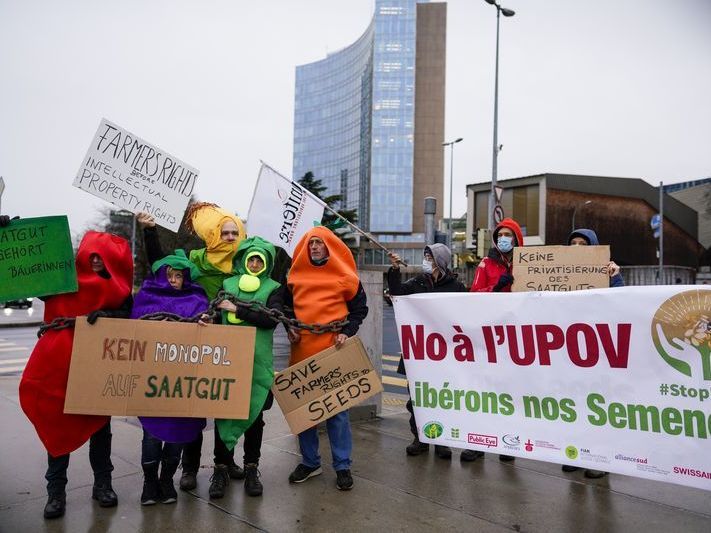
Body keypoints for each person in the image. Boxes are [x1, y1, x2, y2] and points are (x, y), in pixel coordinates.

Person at [19, 231, 133, 519]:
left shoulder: (118, 291)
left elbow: (130, 317)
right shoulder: (61, 280)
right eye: (91, 253)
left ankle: (103, 484)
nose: (95, 260)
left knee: (100, 429)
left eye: (101, 255)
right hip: (58, 366)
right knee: (58, 425)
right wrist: (8, 236)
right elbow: (23, 275)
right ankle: (55, 492)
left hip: (96, 367)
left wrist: (109, 317)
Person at [137, 205, 248, 495]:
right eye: (224, 231)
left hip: (227, 345)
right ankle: (189, 467)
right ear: (214, 234)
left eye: (234, 232)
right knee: (193, 405)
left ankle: (224, 464)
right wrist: (149, 231)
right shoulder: (196, 262)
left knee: (223, 409)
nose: (229, 236)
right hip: (195, 345)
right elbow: (162, 266)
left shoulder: (245, 263)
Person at [284, 226, 368, 491]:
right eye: (311, 244)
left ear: (329, 246)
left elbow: (359, 310)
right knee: (305, 413)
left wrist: (346, 331)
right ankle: (310, 462)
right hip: (303, 350)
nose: (314, 248)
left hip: (333, 350)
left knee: (338, 413)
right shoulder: (295, 276)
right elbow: (285, 307)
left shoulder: (346, 277)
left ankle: (342, 465)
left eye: (319, 243)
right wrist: (290, 327)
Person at [387, 244, 483, 462]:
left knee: (442, 399)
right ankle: (420, 438)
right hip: (419, 353)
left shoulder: (456, 287)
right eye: (425, 256)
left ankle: (442, 442)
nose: (426, 260)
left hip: (445, 355)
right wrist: (394, 271)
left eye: (429, 257)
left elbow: (464, 317)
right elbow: (397, 295)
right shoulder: (417, 282)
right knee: (417, 399)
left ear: (440, 260)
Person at [131, 250, 210, 505]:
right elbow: (135, 329)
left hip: (183, 381)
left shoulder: (196, 297)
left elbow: (207, 335)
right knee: (152, 434)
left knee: (178, 432)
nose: (174, 280)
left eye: (179, 276)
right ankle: (149, 482)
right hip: (153, 379)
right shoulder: (147, 296)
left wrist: (204, 323)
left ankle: (167, 481)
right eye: (170, 275)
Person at [211, 237, 282, 498]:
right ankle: (221, 469)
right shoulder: (228, 284)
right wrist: (211, 317)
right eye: (251, 258)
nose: (254, 263)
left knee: (254, 418)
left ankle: (252, 469)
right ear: (243, 260)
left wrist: (237, 309)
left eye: (259, 260)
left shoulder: (274, 288)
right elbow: (218, 314)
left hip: (257, 364)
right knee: (223, 415)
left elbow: (271, 320)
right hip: (228, 362)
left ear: (265, 264)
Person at [561, 228, 623, 479]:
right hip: (570, 349)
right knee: (573, 405)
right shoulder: (561, 274)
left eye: (583, 243)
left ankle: (601, 459)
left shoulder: (608, 272)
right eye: (573, 243)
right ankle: (576, 453)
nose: (577, 247)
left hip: (598, 350)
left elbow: (621, 304)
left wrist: (615, 279)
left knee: (598, 406)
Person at [470, 218, 524, 462]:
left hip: (517, 337)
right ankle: (479, 442)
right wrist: (496, 288)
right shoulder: (486, 263)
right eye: (500, 234)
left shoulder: (527, 265)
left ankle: (508, 442)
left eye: (508, 235)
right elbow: (473, 295)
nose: (504, 239)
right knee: (484, 390)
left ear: (517, 239)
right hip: (490, 336)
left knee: (511, 392)